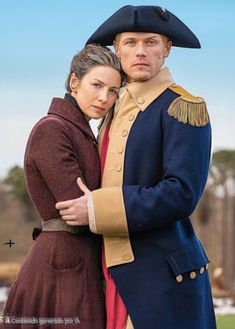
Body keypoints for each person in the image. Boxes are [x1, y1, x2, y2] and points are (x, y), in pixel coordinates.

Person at [56, 5, 216, 329]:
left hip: (163, 278)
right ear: (117, 48)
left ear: (167, 49)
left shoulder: (184, 107)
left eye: (151, 42)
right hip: (107, 272)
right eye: (130, 42)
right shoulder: (110, 111)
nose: (140, 52)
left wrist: (98, 210)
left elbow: (181, 193)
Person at [2, 44, 122, 329]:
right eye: (97, 85)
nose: (104, 98)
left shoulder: (83, 131)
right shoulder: (52, 129)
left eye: (113, 91)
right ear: (74, 82)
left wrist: (98, 201)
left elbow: (91, 203)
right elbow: (75, 207)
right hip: (60, 267)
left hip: (79, 261)